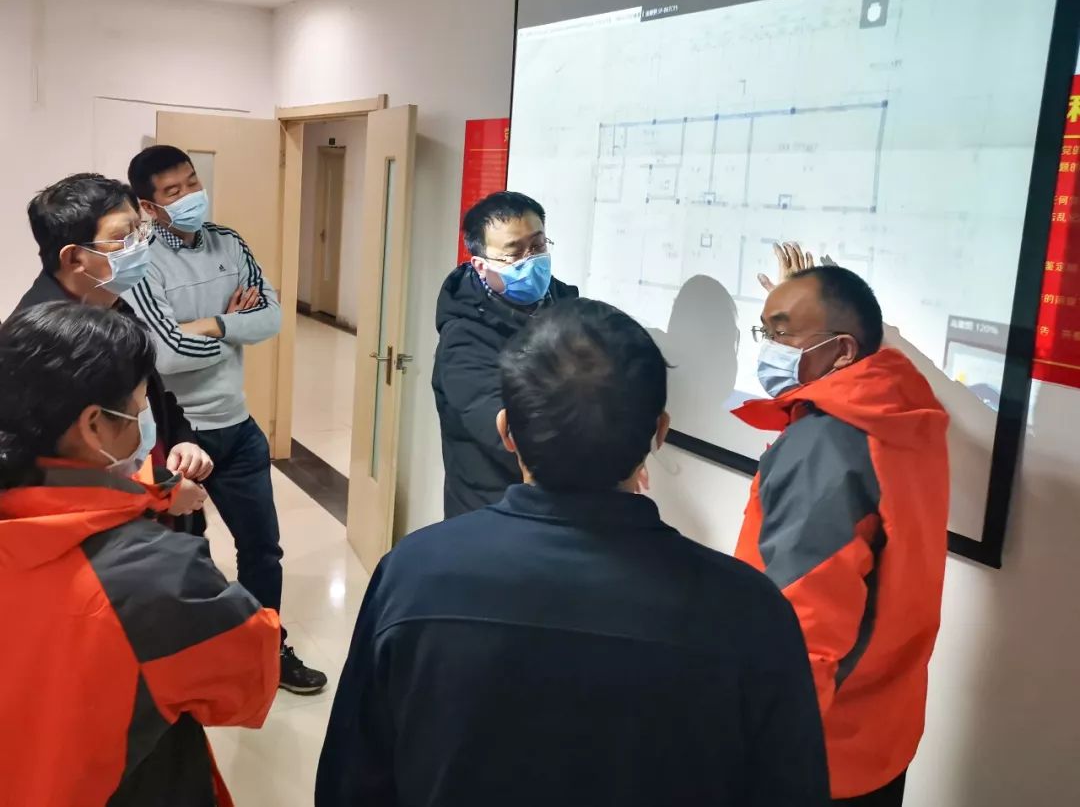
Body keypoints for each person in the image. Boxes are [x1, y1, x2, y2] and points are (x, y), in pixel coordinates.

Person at [317, 299, 830, 807]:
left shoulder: (413, 576)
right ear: (660, 431)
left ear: (506, 431)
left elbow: (351, 782)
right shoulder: (751, 611)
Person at [0, 302, 281, 807]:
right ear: (93, 425)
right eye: (137, 406)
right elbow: (248, 683)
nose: (145, 419)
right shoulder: (157, 578)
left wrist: (150, 493)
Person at [735, 254, 950, 806]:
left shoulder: (826, 447)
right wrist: (807, 300)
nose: (768, 347)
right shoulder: (900, 416)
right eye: (764, 330)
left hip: (818, 751)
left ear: (843, 350)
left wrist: (761, 752)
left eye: (781, 332)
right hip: (879, 730)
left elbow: (804, 628)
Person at [126, 145, 326, 694]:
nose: (190, 196)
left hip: (237, 426)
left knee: (263, 549)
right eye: (173, 191)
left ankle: (266, 649)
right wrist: (232, 327)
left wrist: (211, 324)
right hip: (177, 437)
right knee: (186, 556)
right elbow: (164, 356)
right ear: (149, 206)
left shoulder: (229, 242)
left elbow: (271, 318)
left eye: (192, 182)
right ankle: (198, 659)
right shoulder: (142, 261)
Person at [17, 173, 211, 528]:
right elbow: (57, 475)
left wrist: (182, 441)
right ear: (75, 258)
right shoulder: (41, 345)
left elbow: (154, 393)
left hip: (159, 492)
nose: (141, 245)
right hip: (112, 526)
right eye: (124, 237)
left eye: (140, 229)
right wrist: (160, 493)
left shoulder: (111, 302)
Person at [433, 191, 578, 519]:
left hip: (559, 504)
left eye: (538, 245)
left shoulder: (568, 308)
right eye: (514, 253)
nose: (532, 260)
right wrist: (607, 456)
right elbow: (506, 427)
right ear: (481, 266)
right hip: (490, 508)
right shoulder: (464, 339)